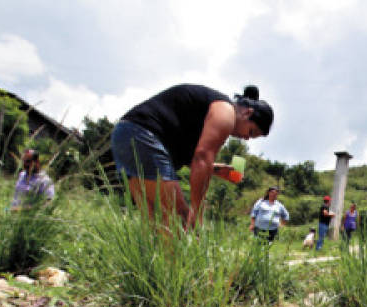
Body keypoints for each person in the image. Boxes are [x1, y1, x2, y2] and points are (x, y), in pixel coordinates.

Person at [111, 84, 273, 231]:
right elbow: (202, 158)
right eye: (251, 132)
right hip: (143, 137)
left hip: (126, 135)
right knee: (180, 220)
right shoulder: (226, 112)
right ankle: (174, 263)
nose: (245, 138)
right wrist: (196, 212)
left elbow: (191, 156)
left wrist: (215, 169)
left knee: (157, 223)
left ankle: (152, 264)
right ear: (247, 112)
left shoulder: (208, 113)